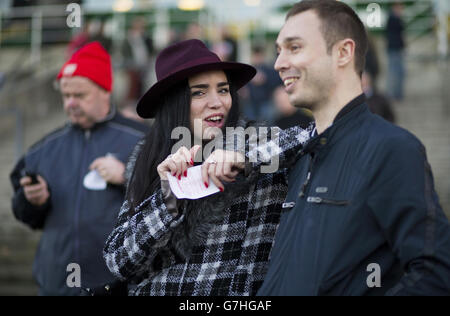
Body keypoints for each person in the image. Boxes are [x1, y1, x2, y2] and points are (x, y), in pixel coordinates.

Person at [254, 0, 450, 295]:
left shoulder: (392, 150)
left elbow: (434, 272)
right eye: (279, 50)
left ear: (343, 52)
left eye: (294, 48)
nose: (279, 63)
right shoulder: (299, 156)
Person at [103, 39, 311, 296]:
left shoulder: (256, 138)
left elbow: (312, 134)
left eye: (223, 90)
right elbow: (118, 262)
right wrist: (169, 199)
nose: (217, 102)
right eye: (199, 92)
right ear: (174, 102)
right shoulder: (148, 154)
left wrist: (242, 158)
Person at [9, 42, 149, 296]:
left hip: (121, 287)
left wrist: (127, 176)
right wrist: (32, 201)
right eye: (66, 95)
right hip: (56, 286)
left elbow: (170, 200)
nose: (70, 103)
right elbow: (24, 212)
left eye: (80, 95)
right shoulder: (43, 149)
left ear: (106, 91)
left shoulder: (143, 139)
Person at [385, 2, 406, 101]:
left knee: (398, 72)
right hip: (394, 49)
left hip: (396, 48)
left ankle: (397, 94)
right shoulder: (393, 18)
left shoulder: (393, 18)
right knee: (394, 72)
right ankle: (393, 94)